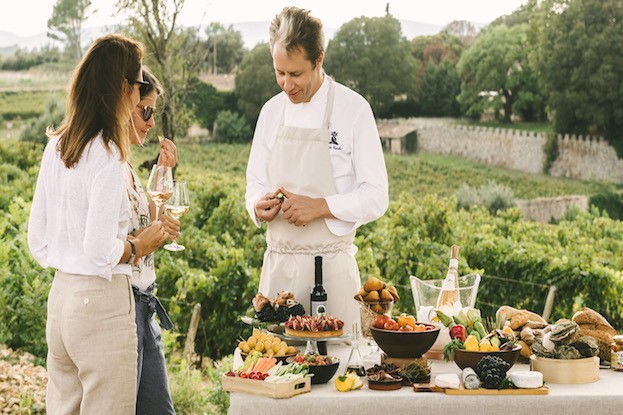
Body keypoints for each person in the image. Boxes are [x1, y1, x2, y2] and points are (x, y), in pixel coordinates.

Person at [27, 34, 170, 414]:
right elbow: (99, 250)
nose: (141, 94)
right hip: (103, 303)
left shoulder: (57, 144)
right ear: (122, 87)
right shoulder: (107, 153)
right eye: (139, 85)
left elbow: (36, 240)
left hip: (62, 300)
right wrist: (138, 246)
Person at [245, 7, 389, 333]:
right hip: (277, 274)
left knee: (335, 371)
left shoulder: (353, 110)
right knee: (274, 371)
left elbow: (377, 196)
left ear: (319, 59)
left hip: (331, 273)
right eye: (279, 72)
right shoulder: (270, 113)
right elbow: (254, 181)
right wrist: (256, 203)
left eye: (295, 74)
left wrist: (321, 206)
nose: (286, 84)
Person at [126, 67, 178, 414]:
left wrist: (163, 171)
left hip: (144, 307)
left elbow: (147, 214)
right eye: (145, 110)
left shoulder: (125, 166)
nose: (150, 122)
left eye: (153, 113)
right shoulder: (103, 163)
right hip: (125, 309)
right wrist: (142, 243)